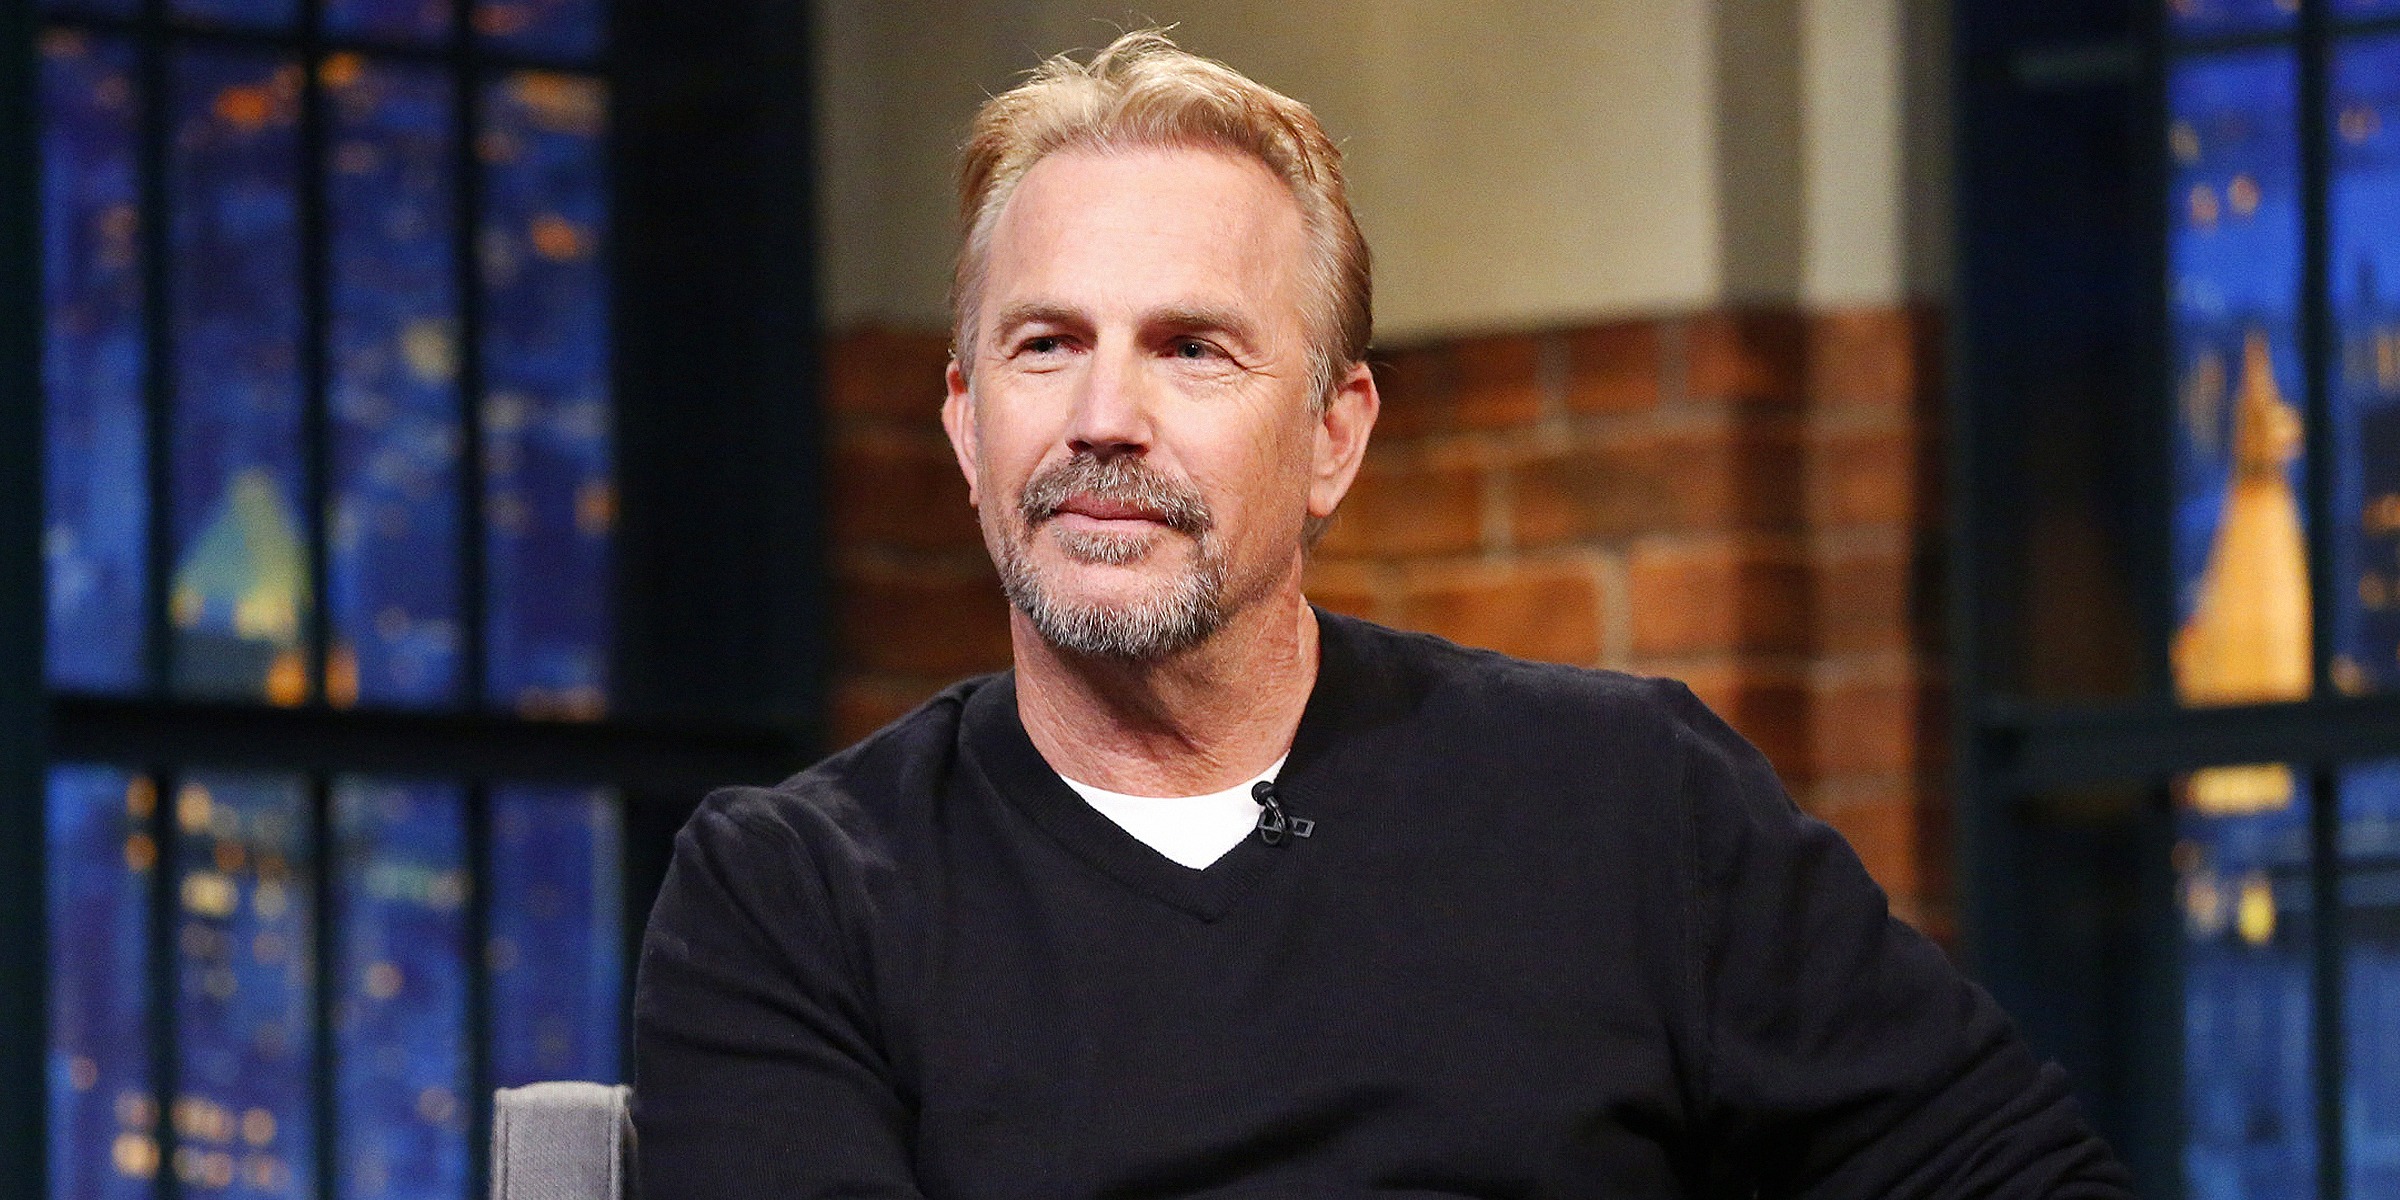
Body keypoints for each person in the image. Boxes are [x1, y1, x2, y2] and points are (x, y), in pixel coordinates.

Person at [633, 30, 2132, 1199]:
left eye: (1192, 349)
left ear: (1334, 437)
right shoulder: (793, 899)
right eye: (1045, 345)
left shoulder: (1628, 803)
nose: (1103, 419)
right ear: (967, 425)